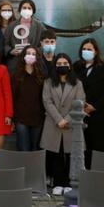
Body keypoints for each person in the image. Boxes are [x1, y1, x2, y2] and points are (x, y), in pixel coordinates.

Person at [41, 53, 86, 196]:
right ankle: (57, 182)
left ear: (70, 65)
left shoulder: (77, 83)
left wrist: (66, 119)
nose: (62, 66)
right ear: (55, 66)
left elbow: (80, 102)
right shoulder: (48, 82)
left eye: (65, 63)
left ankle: (68, 182)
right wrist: (58, 119)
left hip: (71, 123)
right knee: (56, 154)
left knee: (70, 152)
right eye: (59, 64)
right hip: (54, 122)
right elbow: (47, 101)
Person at [73, 39, 104, 168]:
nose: (86, 51)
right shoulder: (76, 66)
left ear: (96, 51)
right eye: (84, 49)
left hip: (99, 114)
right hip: (81, 113)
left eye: (89, 49)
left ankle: (98, 174)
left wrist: (94, 106)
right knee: (83, 146)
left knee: (98, 146)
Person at [11, 45, 46, 152]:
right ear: (23, 56)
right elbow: (13, 97)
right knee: (24, 149)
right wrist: (12, 118)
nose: (30, 56)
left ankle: (34, 169)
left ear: (37, 57)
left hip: (38, 118)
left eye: (33, 54)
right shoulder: (16, 76)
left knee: (36, 148)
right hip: (21, 118)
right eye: (28, 53)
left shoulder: (42, 76)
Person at [4, 0, 46, 71]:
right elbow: (4, 43)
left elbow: (45, 43)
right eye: (24, 8)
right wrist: (10, 51)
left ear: (33, 11)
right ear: (20, 9)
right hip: (15, 62)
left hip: (34, 63)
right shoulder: (12, 25)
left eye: (29, 8)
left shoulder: (39, 26)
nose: (27, 10)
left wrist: (35, 52)